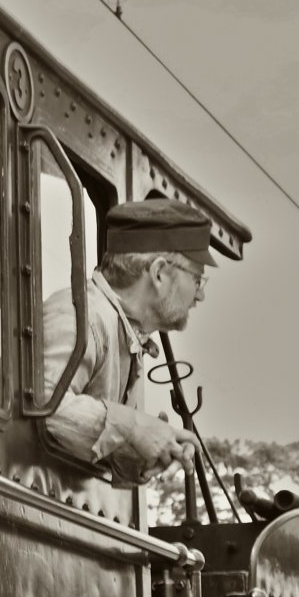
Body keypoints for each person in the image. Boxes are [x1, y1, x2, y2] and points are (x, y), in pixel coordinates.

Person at [43, 200, 212, 485]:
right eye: (197, 280)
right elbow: (41, 407)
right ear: (159, 273)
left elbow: (72, 435)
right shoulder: (82, 314)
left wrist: (141, 449)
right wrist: (133, 427)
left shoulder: (124, 333)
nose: (200, 296)